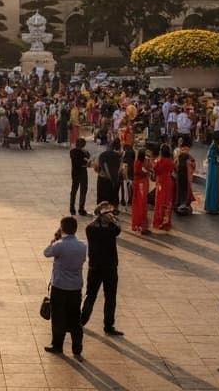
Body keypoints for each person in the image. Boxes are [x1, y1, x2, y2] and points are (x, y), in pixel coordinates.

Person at [43, 215, 86, 359]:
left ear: (62, 229)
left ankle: (58, 345)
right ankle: (77, 348)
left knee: (58, 317)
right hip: (75, 287)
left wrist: (55, 239)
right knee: (75, 318)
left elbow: (47, 252)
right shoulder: (82, 246)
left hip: (60, 286)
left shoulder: (59, 245)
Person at [79, 202, 123, 336]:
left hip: (97, 267)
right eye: (107, 213)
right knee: (104, 296)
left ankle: (82, 321)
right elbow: (118, 229)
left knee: (93, 295)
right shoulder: (110, 228)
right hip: (107, 267)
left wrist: (104, 216)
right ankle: (108, 325)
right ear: (101, 215)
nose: (110, 215)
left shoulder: (90, 228)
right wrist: (113, 221)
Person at [152, 144, 175, 232]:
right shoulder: (170, 161)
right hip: (168, 182)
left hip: (161, 182)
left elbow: (155, 170)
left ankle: (159, 221)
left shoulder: (159, 160)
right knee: (168, 201)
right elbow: (172, 169)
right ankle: (166, 222)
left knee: (159, 201)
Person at [130, 148, 151, 234]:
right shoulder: (139, 163)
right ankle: (142, 226)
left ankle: (139, 224)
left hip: (139, 184)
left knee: (139, 204)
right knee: (141, 205)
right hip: (141, 185)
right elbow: (143, 172)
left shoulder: (138, 162)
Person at [69, 138, 90, 216]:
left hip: (75, 173)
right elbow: (85, 160)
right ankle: (81, 208)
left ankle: (72, 207)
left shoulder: (72, 151)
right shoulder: (81, 152)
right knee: (82, 191)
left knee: (74, 190)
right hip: (82, 173)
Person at [205, 139, 219, 214]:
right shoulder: (217, 151)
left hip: (210, 171)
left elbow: (208, 158)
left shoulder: (211, 150)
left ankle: (209, 206)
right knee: (215, 188)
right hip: (215, 171)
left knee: (210, 187)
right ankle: (214, 207)